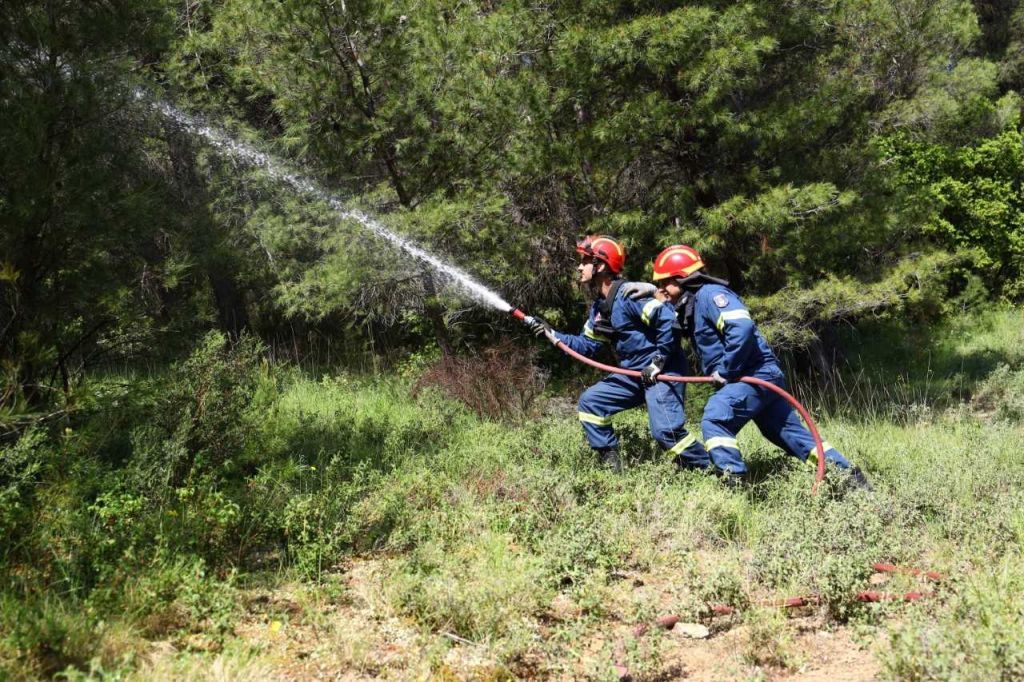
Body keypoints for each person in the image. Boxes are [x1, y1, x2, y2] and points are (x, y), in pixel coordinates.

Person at [646, 244, 871, 489]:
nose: (661, 288)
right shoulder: (693, 304)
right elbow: (673, 329)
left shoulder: (711, 295)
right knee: (790, 436)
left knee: (715, 419)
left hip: (753, 375)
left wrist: (726, 370)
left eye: (664, 282)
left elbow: (741, 328)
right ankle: (854, 482)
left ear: (682, 278)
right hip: (756, 378)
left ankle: (734, 484)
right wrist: (653, 302)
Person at [527, 236, 709, 472]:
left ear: (601, 266)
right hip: (633, 374)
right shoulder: (600, 308)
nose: (579, 267)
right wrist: (551, 335)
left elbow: (667, 322)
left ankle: (710, 468)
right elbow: (587, 345)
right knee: (591, 403)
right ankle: (612, 467)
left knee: (666, 432)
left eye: (585, 261)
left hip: (662, 371)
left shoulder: (629, 295)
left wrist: (658, 361)